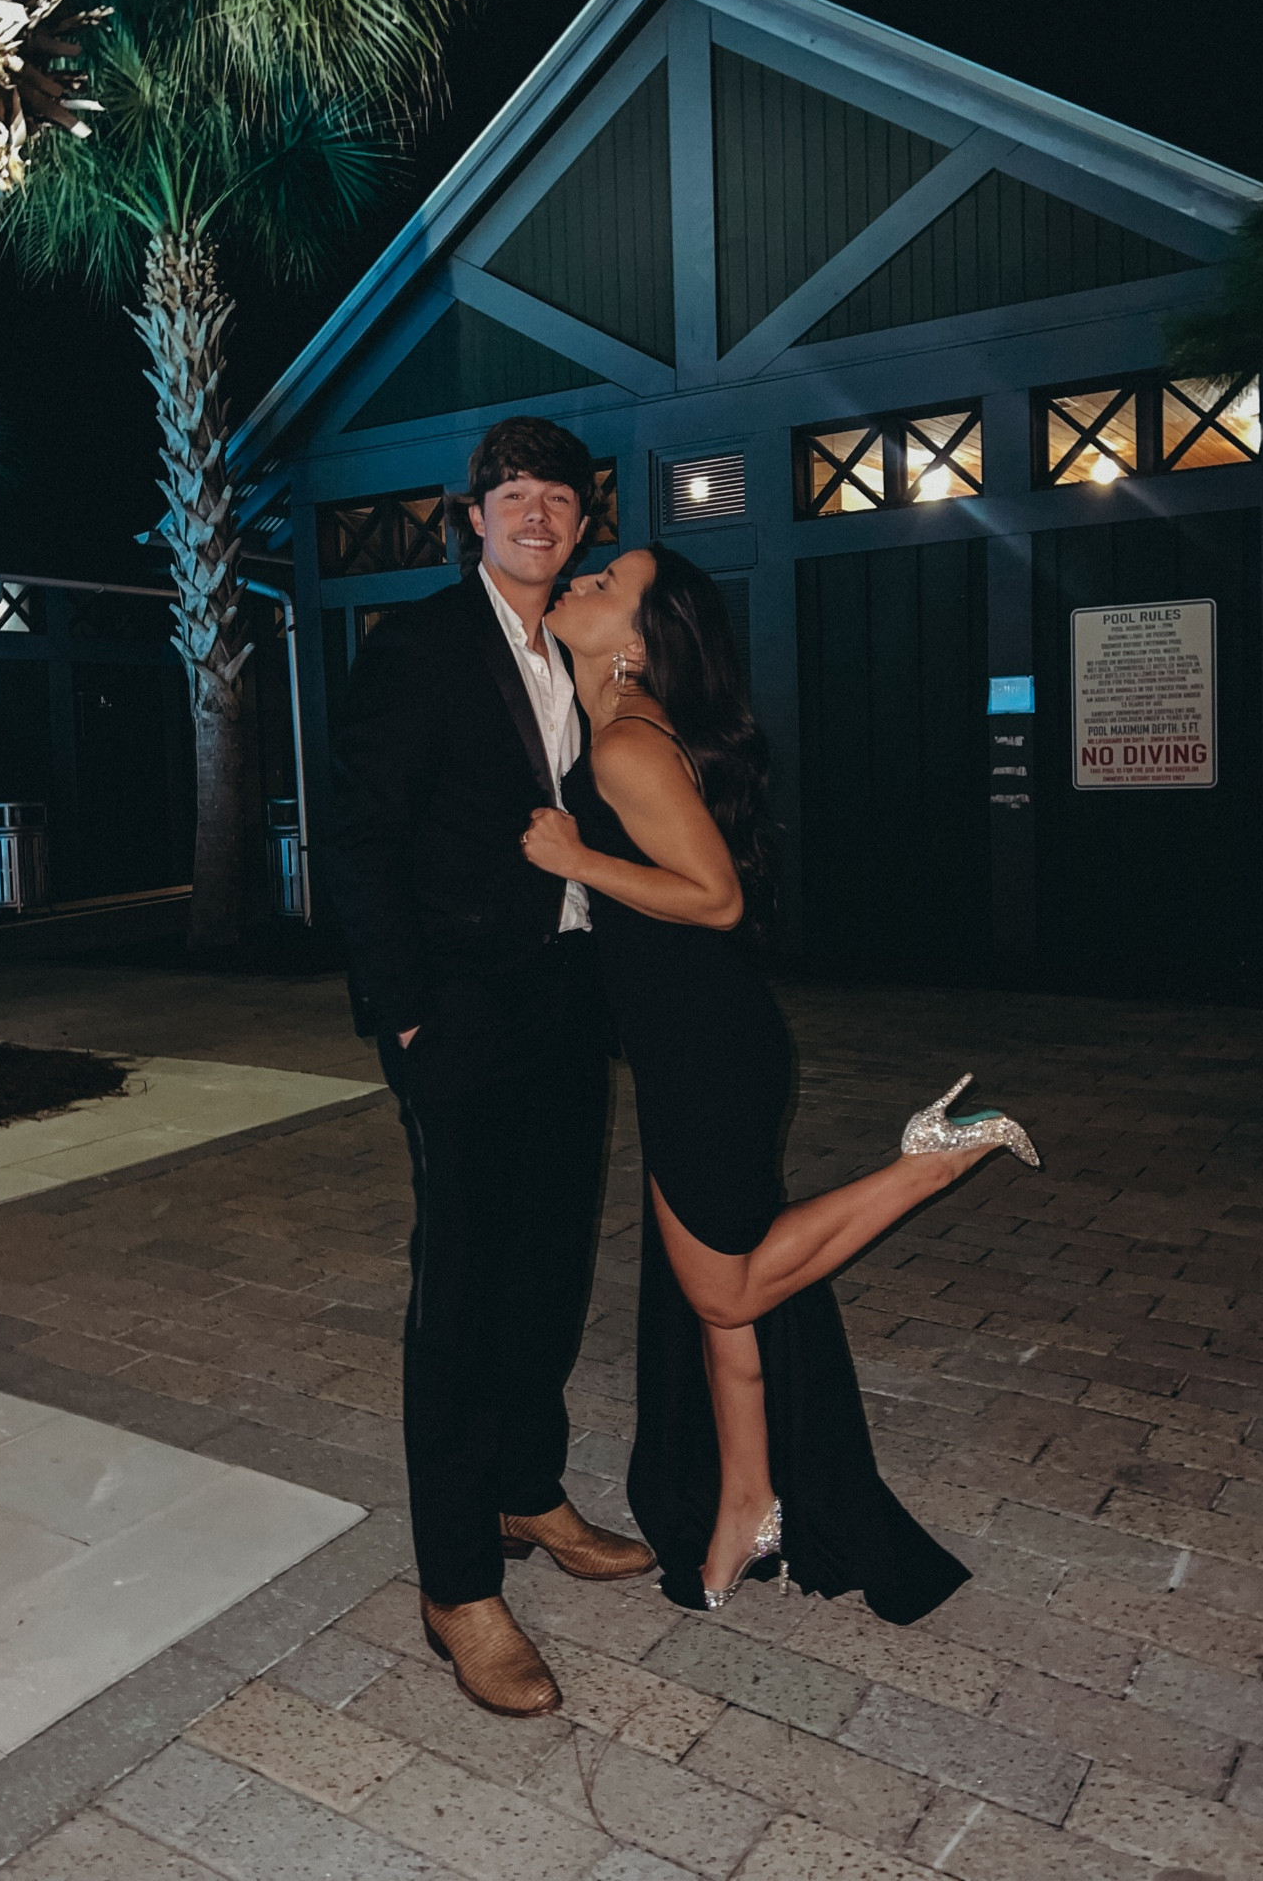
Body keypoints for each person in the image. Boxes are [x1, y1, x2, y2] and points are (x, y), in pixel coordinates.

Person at [523, 543, 1038, 1615]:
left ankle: (938, 1154)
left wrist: (577, 861)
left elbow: (714, 898)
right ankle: (748, 1506)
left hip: (704, 1049)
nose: (581, 579)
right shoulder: (625, 725)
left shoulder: (628, 742)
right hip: (693, 1042)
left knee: (726, 1288)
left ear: (641, 638)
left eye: (608, 583)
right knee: (719, 1312)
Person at [326, 417, 655, 1722]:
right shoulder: (418, 645)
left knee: (552, 1268)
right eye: (512, 495)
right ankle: (458, 1582)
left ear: (583, 519)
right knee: (461, 1296)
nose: (535, 515)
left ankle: (527, 1491)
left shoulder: (587, 644)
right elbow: (362, 837)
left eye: (557, 498)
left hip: (571, 1000)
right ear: (474, 516)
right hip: (459, 1014)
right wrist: (407, 1016)